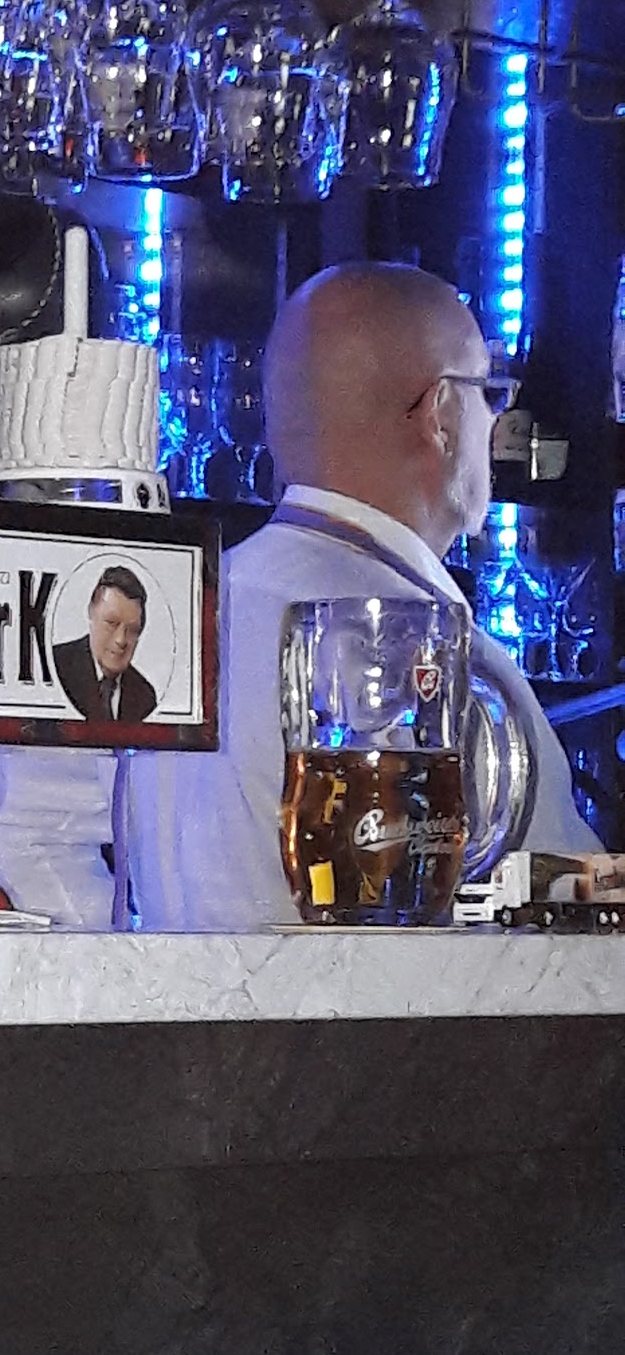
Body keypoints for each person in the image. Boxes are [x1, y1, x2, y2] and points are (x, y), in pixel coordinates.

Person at [129, 262, 599, 932]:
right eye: (488, 393)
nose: (495, 422)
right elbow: (566, 940)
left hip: (166, 999)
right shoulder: (446, 657)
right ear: (441, 415)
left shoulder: (178, 613)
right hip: (377, 1004)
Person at [54, 565, 158, 723]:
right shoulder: (55, 668)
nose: (120, 640)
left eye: (132, 630)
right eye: (111, 623)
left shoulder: (144, 696)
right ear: (91, 613)